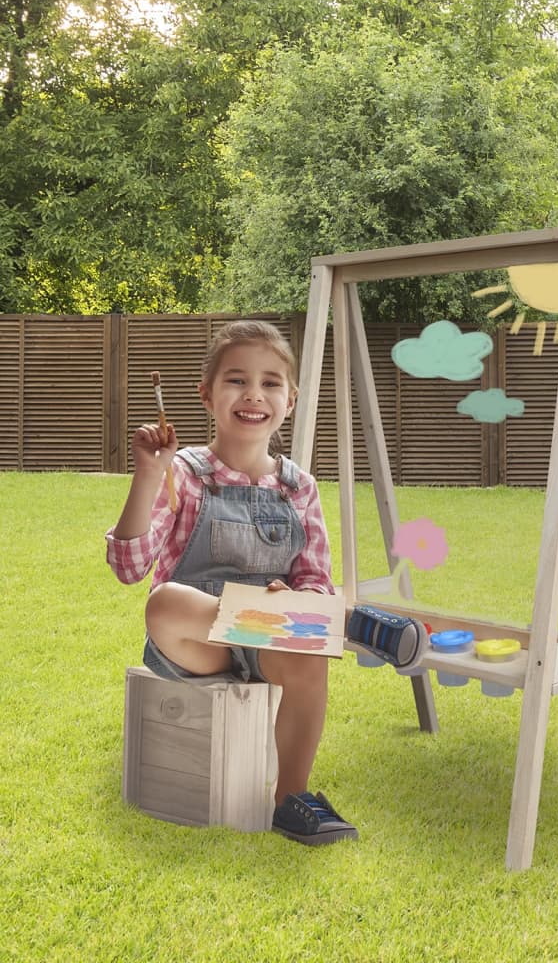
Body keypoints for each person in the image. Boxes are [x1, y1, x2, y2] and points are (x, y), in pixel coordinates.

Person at [106, 320, 422, 846]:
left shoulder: (300, 487)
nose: (254, 394)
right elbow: (129, 567)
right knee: (163, 601)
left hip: (269, 641)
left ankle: (292, 799)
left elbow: (314, 580)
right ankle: (350, 623)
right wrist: (147, 474)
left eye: (271, 383)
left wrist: (294, 602)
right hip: (196, 645)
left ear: (290, 400)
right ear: (207, 395)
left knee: (308, 657)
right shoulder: (182, 473)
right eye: (236, 381)